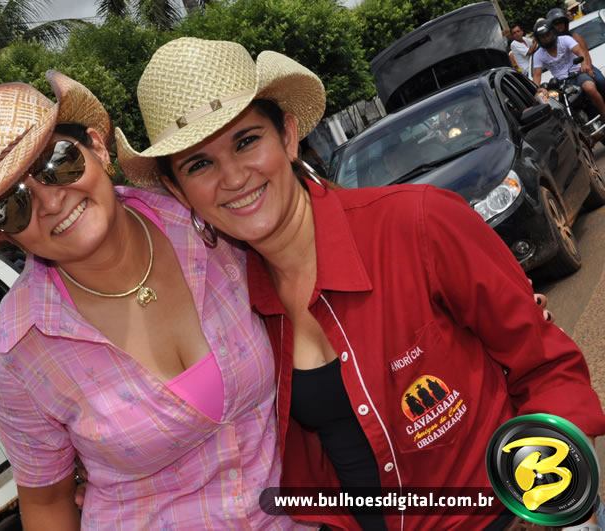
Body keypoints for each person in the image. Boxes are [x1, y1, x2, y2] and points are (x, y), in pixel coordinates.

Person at [115, 37, 605, 530]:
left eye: (246, 141)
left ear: (288, 136)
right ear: (180, 190)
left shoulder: (418, 224)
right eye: (199, 164)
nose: (234, 177)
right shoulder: (236, 312)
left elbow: (547, 369)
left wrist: (551, 507)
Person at [0, 71, 305, 529]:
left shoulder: (209, 221)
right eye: (12, 205)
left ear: (97, 147)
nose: (50, 202)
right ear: (1, 232)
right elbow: (47, 503)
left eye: (57, 162)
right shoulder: (13, 356)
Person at [533, 22, 605, 118]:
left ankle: (604, 114)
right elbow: (537, 75)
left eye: (547, 35)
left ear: (552, 32)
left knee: (590, 88)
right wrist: (537, 88)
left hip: (578, 74)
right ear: (539, 39)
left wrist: (584, 64)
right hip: (562, 83)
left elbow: (580, 51)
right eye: (542, 37)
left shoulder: (565, 40)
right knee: (554, 104)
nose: (546, 38)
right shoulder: (538, 55)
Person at [547, 6, 605, 92]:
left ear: (565, 23)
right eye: (556, 24)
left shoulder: (575, 37)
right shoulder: (550, 44)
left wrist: (588, 67)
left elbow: (585, 54)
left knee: (601, 81)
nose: (559, 25)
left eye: (561, 22)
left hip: (583, 69)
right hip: (566, 78)